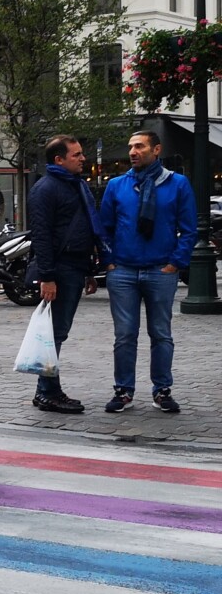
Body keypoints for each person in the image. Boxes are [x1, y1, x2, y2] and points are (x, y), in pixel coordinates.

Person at [98, 130, 196, 414]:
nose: (132, 152)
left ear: (156, 150)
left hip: (160, 270)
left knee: (161, 334)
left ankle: (162, 390)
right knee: (125, 335)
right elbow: (105, 227)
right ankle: (123, 391)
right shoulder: (117, 185)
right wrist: (109, 261)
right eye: (130, 147)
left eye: (139, 146)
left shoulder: (177, 184)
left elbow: (189, 229)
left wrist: (175, 263)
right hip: (123, 271)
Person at [26, 135, 105, 414]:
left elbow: (84, 229)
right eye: (76, 155)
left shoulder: (75, 186)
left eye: (82, 153)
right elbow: (42, 236)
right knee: (54, 334)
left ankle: (45, 390)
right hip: (59, 269)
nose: (83, 159)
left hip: (74, 267)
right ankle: (48, 392)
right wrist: (47, 276)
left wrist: (89, 271)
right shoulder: (45, 189)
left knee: (57, 332)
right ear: (59, 159)